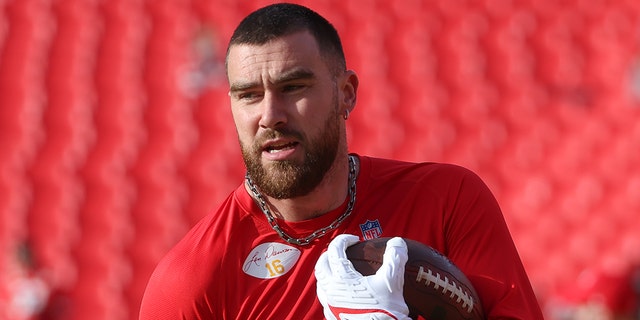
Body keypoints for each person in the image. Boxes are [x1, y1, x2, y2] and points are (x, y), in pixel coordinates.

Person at [139, 3, 543, 319]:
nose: (270, 114)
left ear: (346, 93)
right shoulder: (190, 281)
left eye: (293, 86)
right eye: (248, 95)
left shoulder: (447, 200)